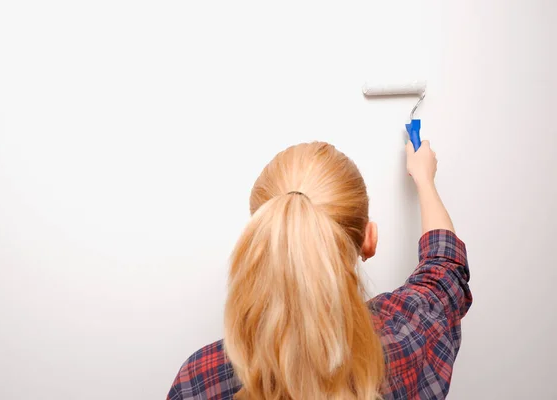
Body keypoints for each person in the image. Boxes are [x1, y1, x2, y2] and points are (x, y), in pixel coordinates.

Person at [167, 141, 472, 400]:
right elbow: (445, 270)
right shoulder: (403, 339)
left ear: (261, 241)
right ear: (369, 240)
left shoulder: (199, 380)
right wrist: (424, 180)